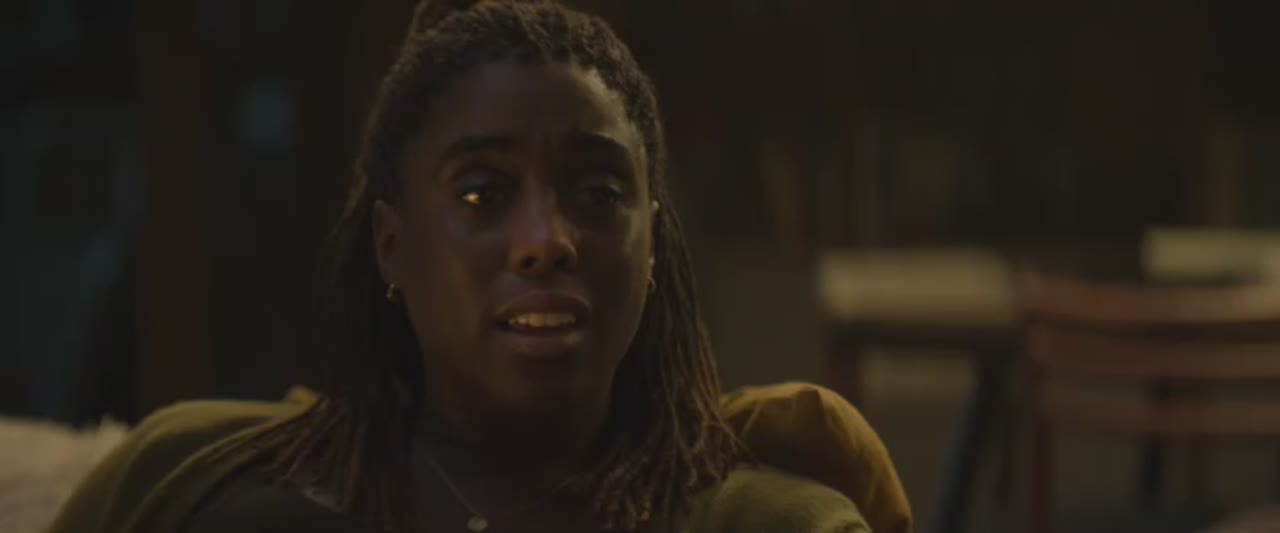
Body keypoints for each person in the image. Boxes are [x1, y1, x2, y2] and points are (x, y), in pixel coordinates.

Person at [49, 1, 911, 532]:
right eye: (481, 193)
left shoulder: (779, 522)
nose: (546, 239)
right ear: (392, 244)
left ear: (652, 246)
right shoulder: (188, 485)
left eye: (597, 193)